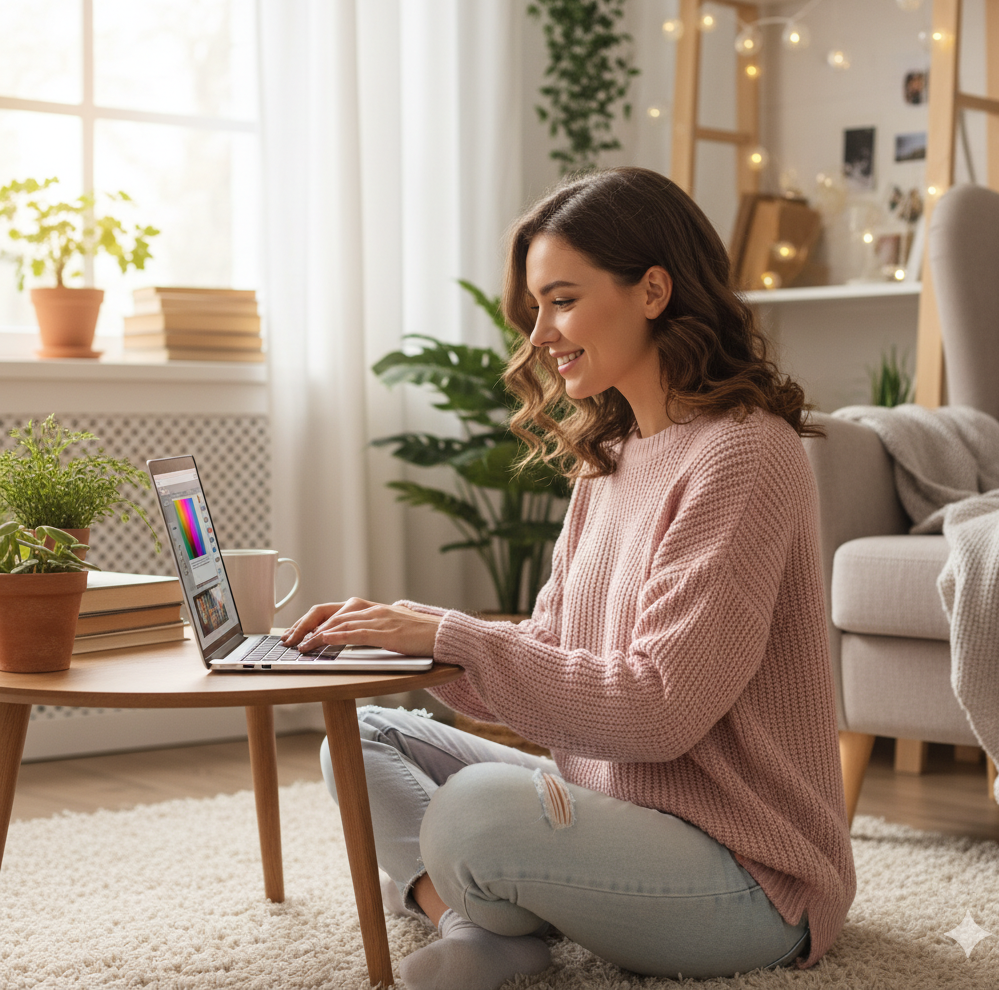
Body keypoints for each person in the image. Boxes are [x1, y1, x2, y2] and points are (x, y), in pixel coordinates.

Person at [282, 167, 856, 990]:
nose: (540, 334)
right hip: (614, 806)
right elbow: (553, 647)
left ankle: (488, 906)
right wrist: (407, 637)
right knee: (360, 736)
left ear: (653, 290)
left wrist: (454, 637)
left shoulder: (746, 454)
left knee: (474, 812)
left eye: (562, 299)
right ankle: (478, 929)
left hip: (749, 874)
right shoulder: (611, 460)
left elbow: (661, 709)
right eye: (536, 307)